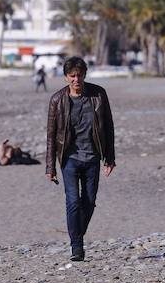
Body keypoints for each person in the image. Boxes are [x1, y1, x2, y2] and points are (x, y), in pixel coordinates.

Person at [46, 56, 116, 262]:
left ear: (85, 74)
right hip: (69, 159)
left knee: (90, 201)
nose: (76, 79)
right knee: (73, 201)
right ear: (66, 77)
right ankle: (77, 247)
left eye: (80, 75)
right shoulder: (57, 100)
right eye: (72, 76)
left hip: (93, 157)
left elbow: (109, 127)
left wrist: (110, 158)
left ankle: (77, 234)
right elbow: (51, 136)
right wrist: (50, 167)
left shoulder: (98, 95)